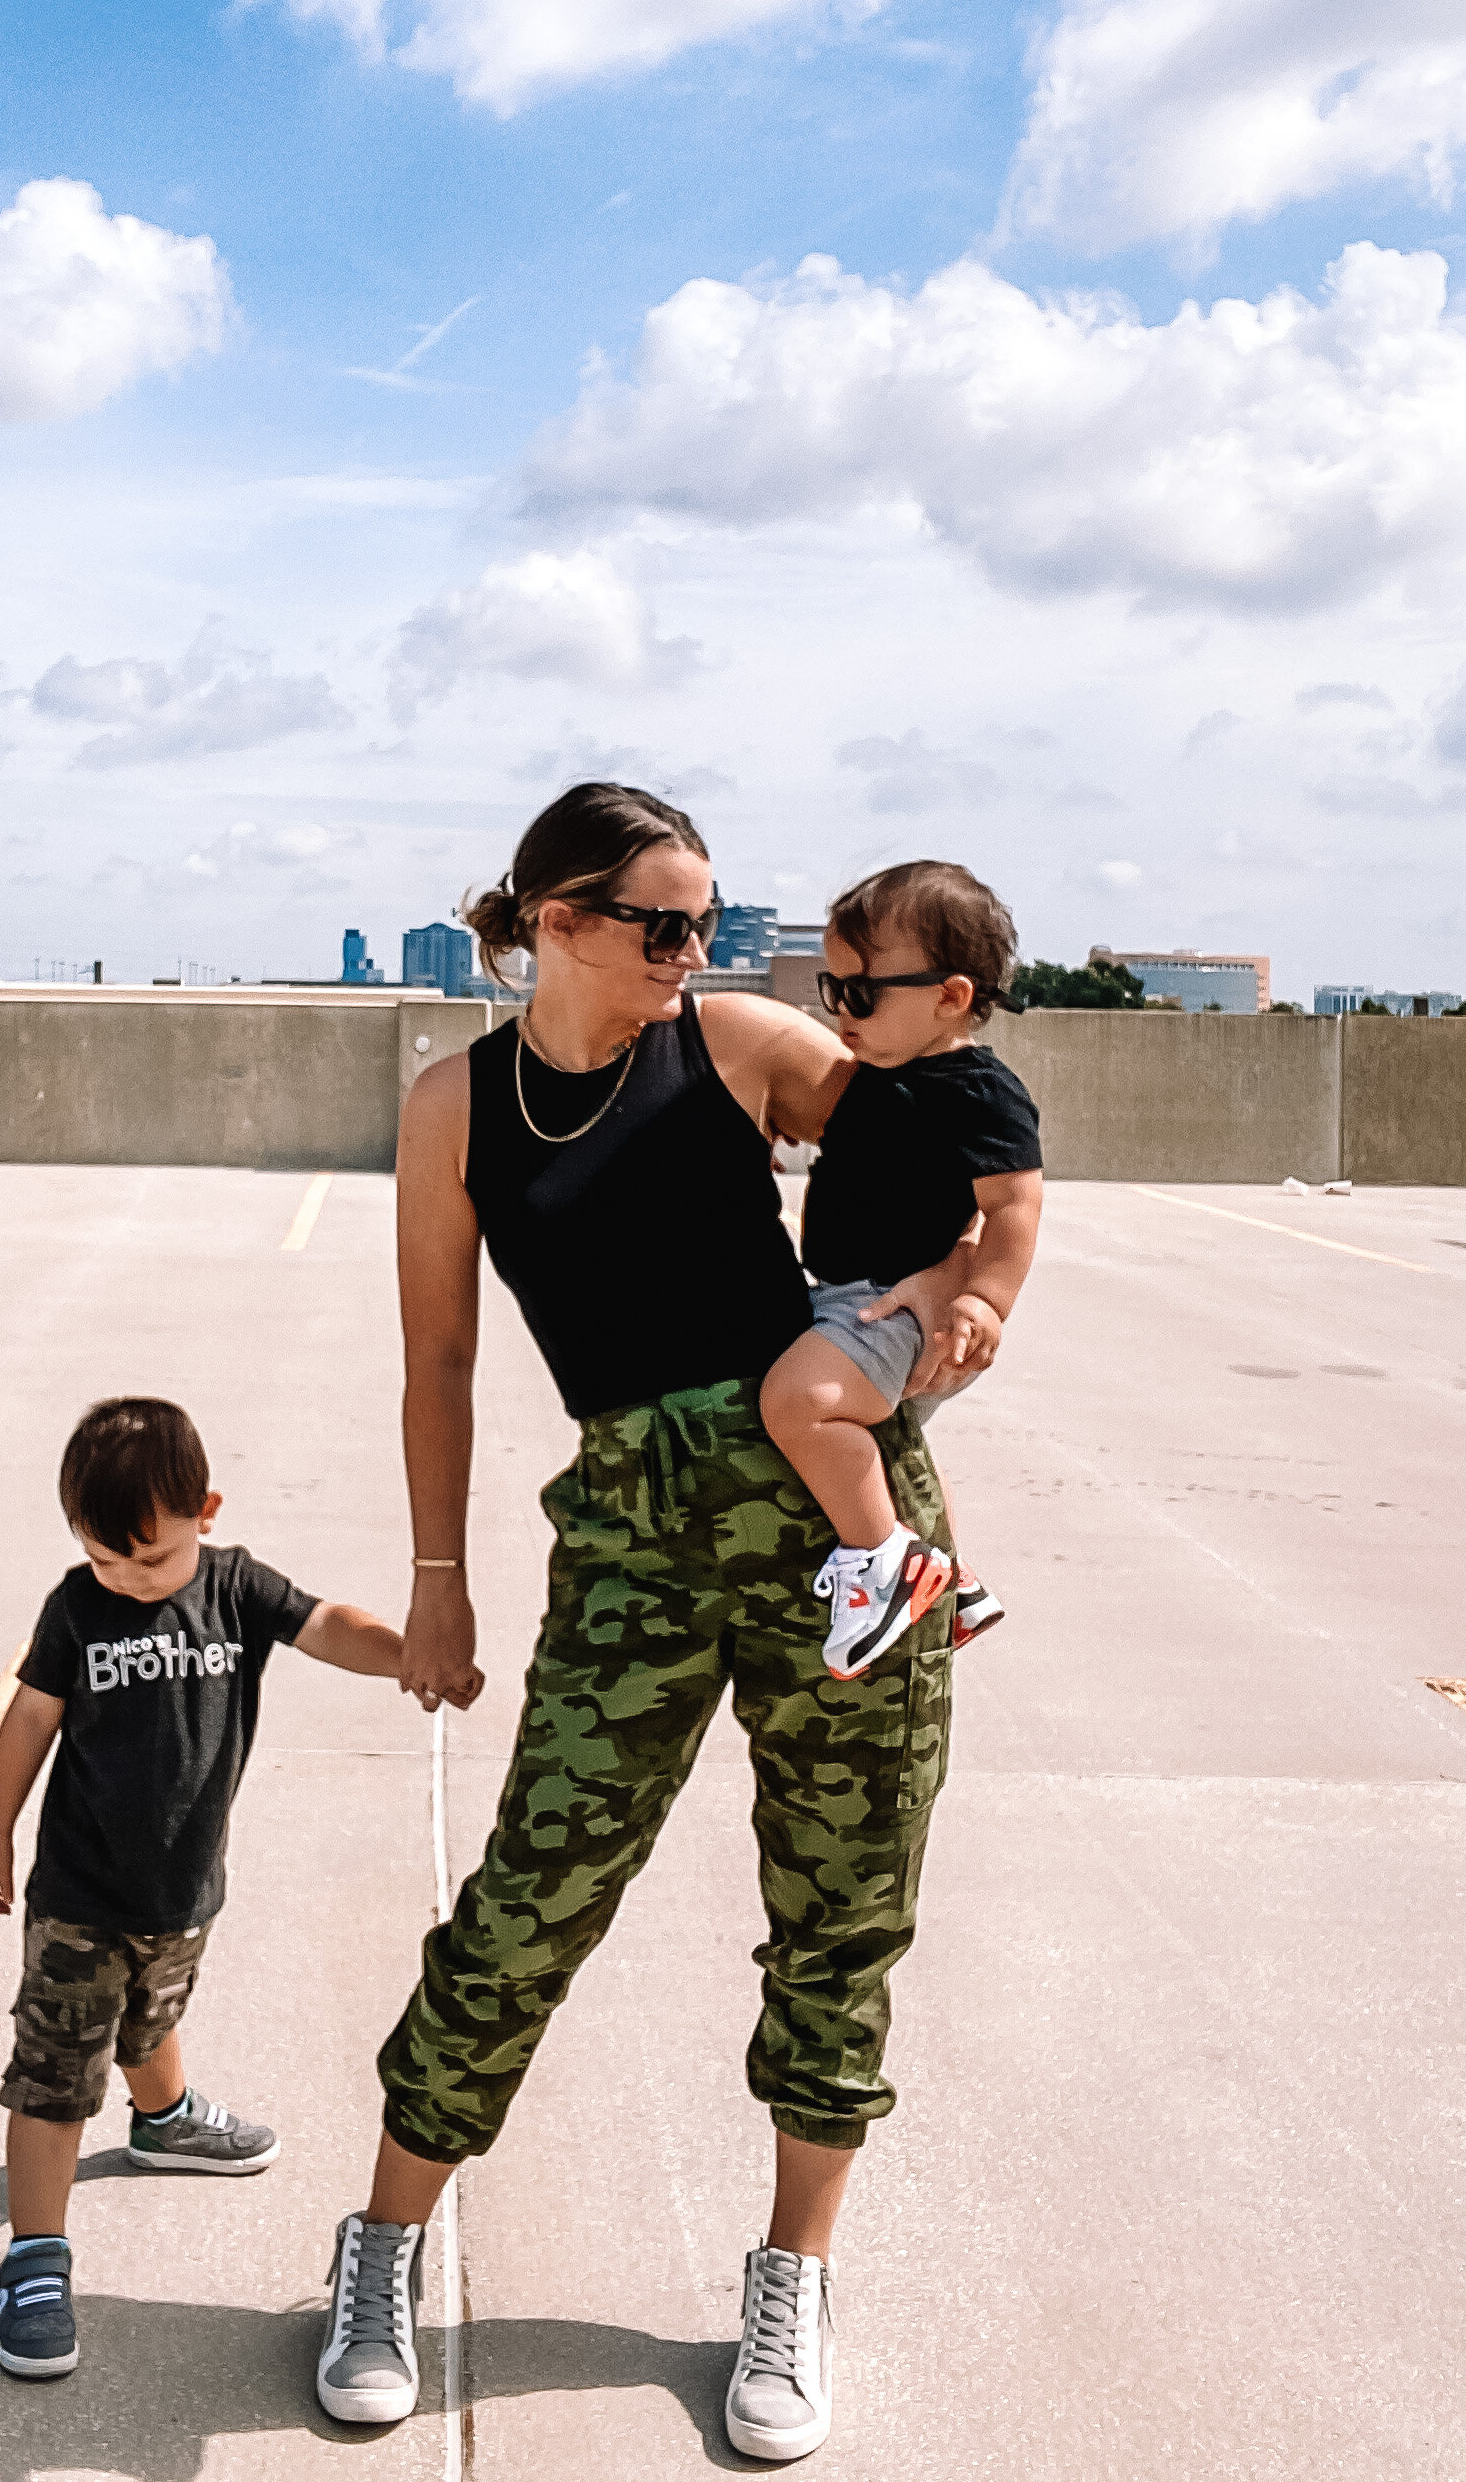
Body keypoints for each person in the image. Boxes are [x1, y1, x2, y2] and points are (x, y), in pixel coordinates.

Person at [313, 784, 983, 2464]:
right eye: (662, 923)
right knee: (532, 1897)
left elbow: (948, 1158)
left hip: (839, 1524)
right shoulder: (452, 1106)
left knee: (844, 1901)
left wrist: (961, 1292)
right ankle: (382, 2244)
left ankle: (792, 2274)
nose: (697, 951)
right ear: (553, 917)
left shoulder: (744, 1043)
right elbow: (443, 1360)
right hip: (629, 1536)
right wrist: (441, 1577)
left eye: (708, 920)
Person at [0, 1393, 402, 2382]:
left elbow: (326, 1624)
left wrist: (404, 1654)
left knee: (152, 2013)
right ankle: (36, 2258)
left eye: (149, 1559)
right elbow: (33, 1719)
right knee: (54, 2075)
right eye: (103, 1557)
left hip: (183, 1892)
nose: (124, 1579)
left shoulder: (237, 1588)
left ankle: (163, 2122)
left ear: (204, 1510)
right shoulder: (74, 1610)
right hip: (78, 1896)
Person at [758, 860, 1045, 1682]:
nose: (838, 1011)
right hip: (856, 1290)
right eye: (831, 988)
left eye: (861, 994)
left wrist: (985, 1300)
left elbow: (1015, 1207)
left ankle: (880, 1561)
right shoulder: (880, 1076)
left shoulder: (979, 1091)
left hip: (893, 1305)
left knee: (802, 1405)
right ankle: (955, 1586)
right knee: (890, 1443)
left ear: (951, 996)